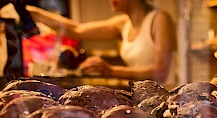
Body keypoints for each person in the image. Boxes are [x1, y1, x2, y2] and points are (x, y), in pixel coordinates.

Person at [27, 0, 177, 85]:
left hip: (167, 99)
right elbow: (76, 30)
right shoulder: (123, 24)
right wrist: (31, 12)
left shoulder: (160, 19)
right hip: (144, 97)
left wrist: (110, 71)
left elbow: (161, 73)